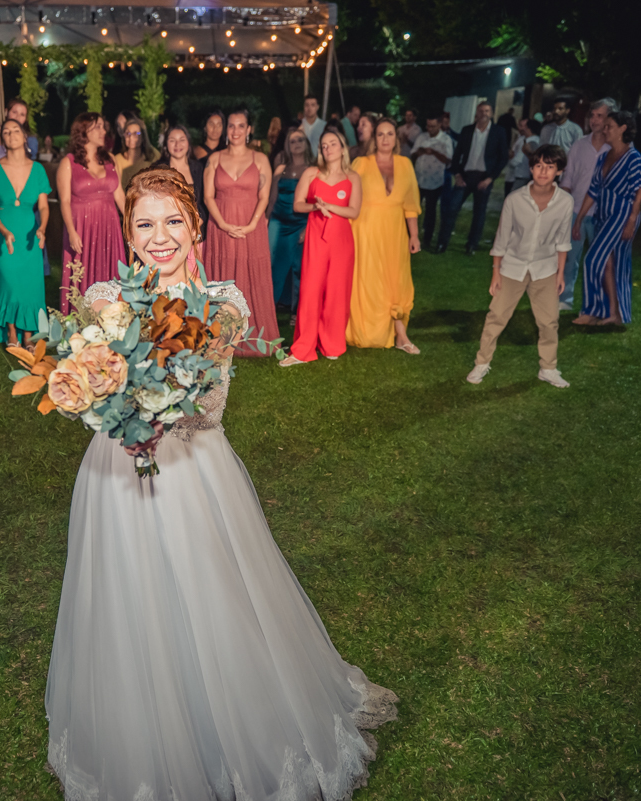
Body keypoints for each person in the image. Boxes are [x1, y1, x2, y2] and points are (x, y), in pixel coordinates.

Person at [48, 166, 398, 798]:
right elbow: (91, 382)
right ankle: (145, 741)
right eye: (145, 224)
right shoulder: (104, 298)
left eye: (173, 222)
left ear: (195, 227)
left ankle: (235, 732)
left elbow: (204, 400)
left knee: (211, 602)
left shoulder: (225, 305)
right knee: (127, 604)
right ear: (127, 233)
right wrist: (105, 399)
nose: (160, 237)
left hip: (191, 471)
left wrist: (153, 400)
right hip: (114, 477)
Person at [467, 144, 573, 389]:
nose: (543, 172)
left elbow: (563, 240)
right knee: (496, 317)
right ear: (531, 168)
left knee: (549, 322)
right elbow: (502, 238)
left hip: (545, 269)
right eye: (538, 166)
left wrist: (560, 273)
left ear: (559, 171)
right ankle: (481, 363)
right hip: (512, 268)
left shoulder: (565, 202)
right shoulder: (515, 199)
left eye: (549, 167)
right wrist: (495, 272)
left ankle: (548, 368)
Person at [280, 129, 361, 366]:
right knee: (310, 289)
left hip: (341, 240)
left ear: (343, 147)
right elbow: (297, 205)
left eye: (332, 144)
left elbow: (354, 211)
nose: (328, 149)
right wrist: (316, 207)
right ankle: (303, 348)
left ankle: (332, 343)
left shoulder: (353, 177)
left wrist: (330, 207)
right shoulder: (311, 173)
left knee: (337, 291)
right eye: (324, 145)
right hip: (316, 237)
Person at [204, 108, 280, 356]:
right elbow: (207, 196)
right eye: (232, 126)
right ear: (227, 130)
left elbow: (264, 196)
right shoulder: (214, 159)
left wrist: (252, 224)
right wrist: (223, 224)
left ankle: (256, 335)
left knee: (252, 274)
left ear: (249, 130)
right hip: (220, 225)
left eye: (241, 126)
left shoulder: (260, 159)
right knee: (223, 275)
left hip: (251, 226)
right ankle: (222, 335)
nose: (235, 131)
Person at [346, 118, 422, 352]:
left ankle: (401, 336)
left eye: (390, 134)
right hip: (365, 231)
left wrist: (414, 235)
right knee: (370, 281)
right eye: (380, 134)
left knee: (396, 282)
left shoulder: (405, 164)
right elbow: (346, 195)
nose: (385, 138)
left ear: (396, 139)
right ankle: (369, 330)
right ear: (374, 138)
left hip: (394, 233)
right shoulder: (361, 163)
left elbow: (410, 204)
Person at [572, 110, 641, 326]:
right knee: (608, 263)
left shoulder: (633, 157)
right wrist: (579, 219)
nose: (604, 130)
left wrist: (632, 220)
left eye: (609, 126)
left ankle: (592, 310)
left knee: (592, 258)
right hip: (603, 214)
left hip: (622, 215)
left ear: (623, 129)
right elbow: (593, 190)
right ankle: (613, 314)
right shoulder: (605, 156)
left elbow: (640, 189)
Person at [0, 119, 50, 348]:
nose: (11, 135)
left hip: (30, 234)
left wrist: (42, 228)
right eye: (6, 132)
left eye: (15, 131)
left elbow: (43, 206)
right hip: (3, 234)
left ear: (24, 135)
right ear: (2, 138)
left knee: (29, 284)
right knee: (9, 282)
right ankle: (11, 332)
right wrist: (3, 231)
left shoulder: (37, 169)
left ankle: (28, 334)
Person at [58, 112, 125, 313]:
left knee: (109, 272)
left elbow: (120, 195)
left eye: (103, 127)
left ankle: (112, 321)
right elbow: (64, 201)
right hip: (82, 228)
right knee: (83, 273)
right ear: (83, 131)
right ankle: (80, 323)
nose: (103, 131)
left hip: (109, 227)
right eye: (98, 127)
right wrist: (71, 231)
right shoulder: (68, 163)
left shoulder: (110, 159)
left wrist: (134, 221)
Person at [558, 97, 618, 311]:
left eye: (599, 116)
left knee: (602, 263)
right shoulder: (579, 145)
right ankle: (565, 299)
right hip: (576, 212)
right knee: (569, 258)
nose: (594, 120)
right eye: (592, 115)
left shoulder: (617, 148)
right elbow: (568, 179)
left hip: (604, 215)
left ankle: (599, 304)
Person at [437, 102, 509, 255]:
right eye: (481, 110)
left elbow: (503, 158)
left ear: (492, 113)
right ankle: (442, 243)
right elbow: (457, 155)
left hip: (484, 176)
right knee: (452, 209)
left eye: (487, 110)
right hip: (465, 175)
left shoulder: (498, 132)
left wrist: (490, 178)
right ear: (476, 113)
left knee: (479, 212)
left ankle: (472, 245)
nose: (484, 113)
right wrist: (457, 174)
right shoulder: (467, 130)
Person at [266, 127, 313, 310]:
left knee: (298, 266)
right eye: (292, 141)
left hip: (300, 221)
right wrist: (267, 220)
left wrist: (308, 226)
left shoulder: (313, 169)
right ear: (288, 145)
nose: (296, 144)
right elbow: (272, 198)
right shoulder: (281, 168)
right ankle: (270, 307)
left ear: (306, 144)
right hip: (278, 220)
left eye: (300, 140)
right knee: (274, 262)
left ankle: (297, 310)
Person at [151, 125, 207, 232]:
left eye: (182, 140)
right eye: (172, 140)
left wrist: (195, 225)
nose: (177, 145)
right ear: (166, 144)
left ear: (188, 143)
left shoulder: (200, 168)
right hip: (167, 231)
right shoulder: (157, 170)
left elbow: (206, 201)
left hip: (196, 230)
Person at [410, 114, 454, 246]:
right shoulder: (422, 137)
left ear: (440, 125)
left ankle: (427, 238)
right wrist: (420, 152)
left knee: (430, 210)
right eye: (428, 126)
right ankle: (411, 235)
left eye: (433, 126)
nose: (429, 129)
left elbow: (448, 160)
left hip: (434, 181)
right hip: (419, 179)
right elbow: (412, 154)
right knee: (413, 209)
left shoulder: (445, 140)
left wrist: (434, 152)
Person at [112, 115, 159, 192]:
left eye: (136, 134)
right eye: (128, 134)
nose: (131, 138)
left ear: (143, 137)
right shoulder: (117, 159)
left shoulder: (153, 155)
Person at [506, 118, 542, 195]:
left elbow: (518, 159)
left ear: (529, 128)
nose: (523, 128)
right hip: (525, 175)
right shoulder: (532, 139)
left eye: (525, 126)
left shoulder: (529, 142)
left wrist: (509, 161)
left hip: (522, 175)